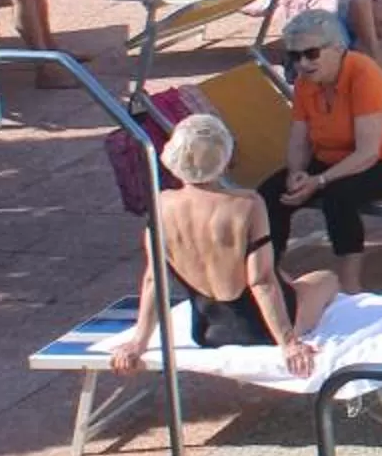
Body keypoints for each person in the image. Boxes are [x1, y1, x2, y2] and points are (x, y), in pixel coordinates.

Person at [105, 113, 337, 380]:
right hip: (261, 331)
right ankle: (297, 303)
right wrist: (288, 343)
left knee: (283, 277)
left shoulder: (161, 205)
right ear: (225, 159)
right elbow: (260, 281)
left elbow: (153, 280)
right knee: (326, 279)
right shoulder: (247, 204)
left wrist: (138, 343)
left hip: (208, 331)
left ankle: (292, 289)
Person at [262, 10, 382, 295]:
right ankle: (270, 272)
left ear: (337, 48)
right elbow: (299, 139)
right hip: (329, 160)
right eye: (294, 56)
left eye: (311, 54)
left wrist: (319, 181)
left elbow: (367, 152)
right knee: (270, 194)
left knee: (338, 197)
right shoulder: (304, 83)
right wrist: (297, 172)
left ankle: (350, 283)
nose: (303, 63)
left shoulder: (363, 74)